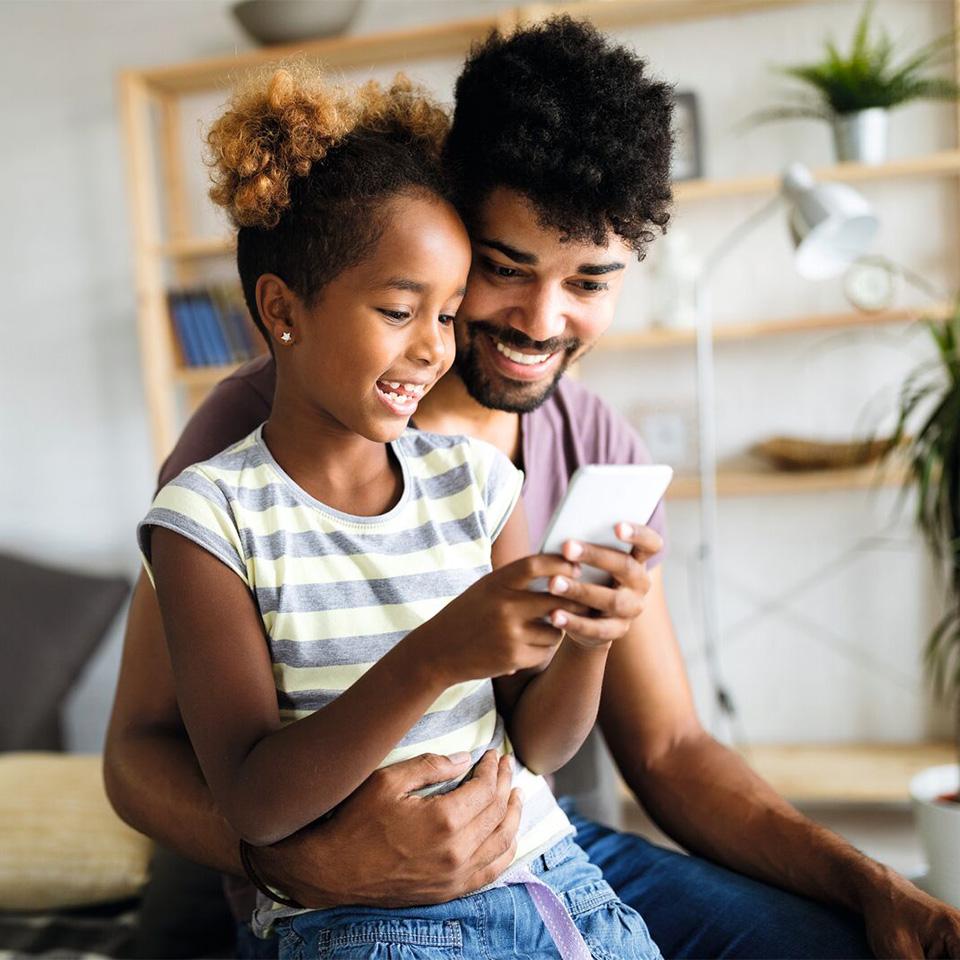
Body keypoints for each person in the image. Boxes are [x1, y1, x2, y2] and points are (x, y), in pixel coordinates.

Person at [105, 16, 960, 960]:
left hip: (545, 848)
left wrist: (875, 885)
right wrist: (307, 866)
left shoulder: (581, 446)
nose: (541, 322)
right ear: (455, 234)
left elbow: (668, 750)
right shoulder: (245, 444)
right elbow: (138, 756)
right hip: (322, 888)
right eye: (507, 270)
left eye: (590, 281)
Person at [136, 64, 664, 960]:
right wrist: (432, 657)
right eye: (398, 309)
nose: (434, 348)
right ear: (281, 310)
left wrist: (592, 638)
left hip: (547, 879)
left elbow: (540, 743)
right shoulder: (210, 516)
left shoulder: (477, 485)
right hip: (360, 923)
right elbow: (254, 804)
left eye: (451, 313)